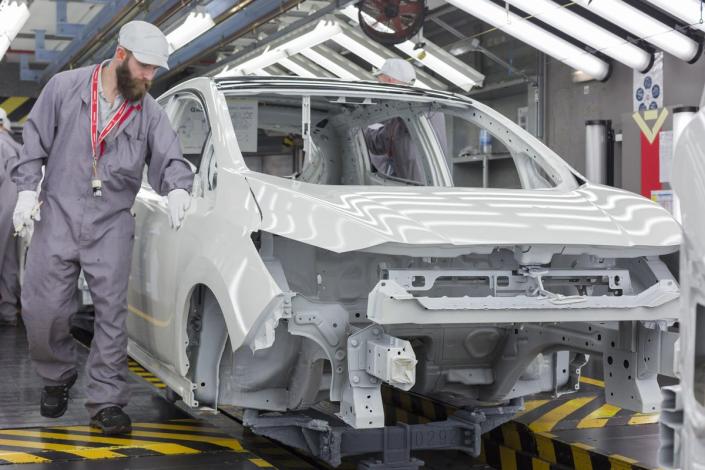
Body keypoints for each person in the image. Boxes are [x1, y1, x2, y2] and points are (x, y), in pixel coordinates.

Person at [11, 21, 193, 435]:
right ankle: (57, 375)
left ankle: (106, 401)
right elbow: (34, 143)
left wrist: (179, 189)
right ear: (121, 54)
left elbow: (169, 157)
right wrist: (26, 192)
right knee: (42, 309)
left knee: (112, 316)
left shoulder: (149, 111)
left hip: (111, 222)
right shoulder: (64, 87)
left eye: (154, 71)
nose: (150, 77)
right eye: (145, 67)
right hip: (58, 213)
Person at [366, 58, 447, 183]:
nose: (378, 86)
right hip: (412, 185)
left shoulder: (416, 108)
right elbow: (381, 142)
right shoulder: (403, 112)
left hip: (421, 188)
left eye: (380, 81)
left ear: (389, 81)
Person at [0, 108, 21, 326]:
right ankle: (7, 312)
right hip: (12, 212)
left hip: (2, 210)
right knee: (8, 262)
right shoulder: (14, 146)